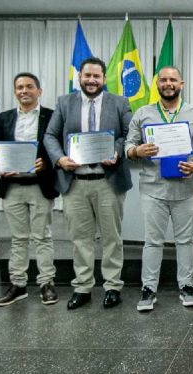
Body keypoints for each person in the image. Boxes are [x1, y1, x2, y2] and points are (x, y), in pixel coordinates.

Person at [43, 57, 132, 310]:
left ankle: (112, 286)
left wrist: (117, 151)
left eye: (96, 76)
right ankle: (82, 287)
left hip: (108, 181)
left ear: (104, 78)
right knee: (80, 238)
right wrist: (60, 159)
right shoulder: (64, 102)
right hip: (75, 182)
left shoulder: (120, 102)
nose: (92, 80)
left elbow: (129, 134)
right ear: (79, 77)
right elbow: (50, 135)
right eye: (87, 76)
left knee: (111, 238)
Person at [125, 66, 193, 312]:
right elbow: (128, 146)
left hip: (186, 189)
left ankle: (186, 286)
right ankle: (148, 289)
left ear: (181, 84)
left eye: (173, 79)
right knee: (152, 241)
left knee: (185, 240)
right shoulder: (143, 114)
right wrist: (137, 151)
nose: (168, 83)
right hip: (153, 189)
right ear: (157, 84)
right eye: (163, 80)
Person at [0, 72, 59, 307]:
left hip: (40, 185)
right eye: (20, 87)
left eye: (29, 86)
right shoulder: (3, 118)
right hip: (13, 187)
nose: (24, 91)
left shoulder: (52, 116)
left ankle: (46, 283)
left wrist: (46, 163)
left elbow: (58, 146)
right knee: (18, 238)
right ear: (15, 92)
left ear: (39, 91)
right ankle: (18, 284)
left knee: (42, 237)